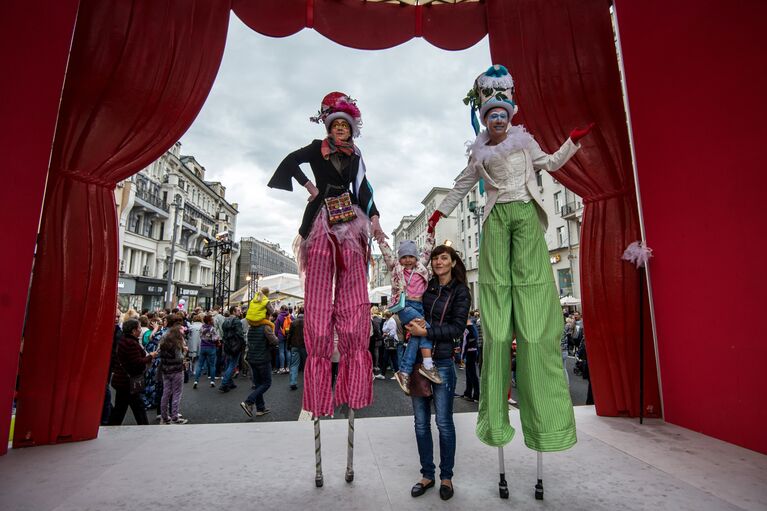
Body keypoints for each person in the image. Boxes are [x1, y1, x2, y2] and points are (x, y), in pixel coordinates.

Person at [429, 64, 591, 451]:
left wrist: (572, 142)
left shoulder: (525, 143)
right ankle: (496, 417)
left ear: (510, 116)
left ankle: (547, 420)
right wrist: (440, 212)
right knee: (498, 308)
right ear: (485, 120)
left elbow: (550, 163)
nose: (498, 120)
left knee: (534, 296)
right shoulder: (480, 153)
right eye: (491, 116)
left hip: (525, 215)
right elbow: (462, 185)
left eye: (503, 114)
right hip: (497, 218)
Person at [267, 91, 385, 417]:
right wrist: (309, 186)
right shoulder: (316, 148)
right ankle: (319, 389)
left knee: (351, 294)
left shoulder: (356, 154)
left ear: (351, 128)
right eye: (336, 125)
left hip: (348, 217)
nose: (341, 130)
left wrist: (374, 219)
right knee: (318, 300)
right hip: (321, 219)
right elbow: (290, 161)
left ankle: (352, 385)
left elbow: (364, 187)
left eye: (346, 126)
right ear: (329, 126)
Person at [405, 244, 471, 501]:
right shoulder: (427, 287)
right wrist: (411, 325)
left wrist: (426, 332)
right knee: (420, 423)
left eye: (444, 258)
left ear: (453, 262)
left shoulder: (461, 291)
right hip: (419, 364)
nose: (438, 262)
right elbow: (414, 311)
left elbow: (456, 329)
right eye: (435, 258)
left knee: (443, 423)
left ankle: (446, 477)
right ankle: (427, 474)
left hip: (442, 361)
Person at [375, 234, 441, 393]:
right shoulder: (396, 267)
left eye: (411, 256)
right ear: (400, 258)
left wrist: (431, 232)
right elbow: (387, 253)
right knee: (427, 329)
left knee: (418, 336)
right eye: (404, 257)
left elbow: (427, 250)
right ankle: (427, 365)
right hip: (403, 305)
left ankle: (404, 372)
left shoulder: (421, 266)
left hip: (419, 305)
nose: (408, 260)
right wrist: (380, 239)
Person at [108, 319, 158, 425]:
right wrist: (150, 356)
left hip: (122, 380)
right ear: (133, 330)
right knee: (136, 406)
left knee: (121, 408)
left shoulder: (124, 340)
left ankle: (113, 426)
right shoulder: (131, 343)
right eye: (139, 328)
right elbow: (137, 362)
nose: (140, 330)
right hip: (129, 381)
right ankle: (144, 427)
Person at [240, 314, 279, 418]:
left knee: (258, 384)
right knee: (266, 383)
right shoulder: (266, 327)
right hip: (263, 359)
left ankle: (260, 408)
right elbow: (275, 341)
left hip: (252, 358)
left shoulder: (251, 327)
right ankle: (249, 401)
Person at [158, 327, 188, 424]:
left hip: (165, 371)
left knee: (166, 393)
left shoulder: (163, 343)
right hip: (176, 371)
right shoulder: (176, 345)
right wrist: (185, 351)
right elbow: (179, 358)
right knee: (176, 393)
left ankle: (164, 416)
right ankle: (174, 416)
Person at [220, 305, 245, 393]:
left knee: (229, 363)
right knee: (232, 364)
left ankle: (230, 382)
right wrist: (242, 343)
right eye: (238, 310)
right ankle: (224, 383)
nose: (240, 312)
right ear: (233, 312)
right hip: (235, 345)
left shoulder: (225, 320)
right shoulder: (237, 321)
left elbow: (223, 332)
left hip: (227, 345)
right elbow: (240, 334)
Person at [194, 314, 219, 388]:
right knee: (212, 365)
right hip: (211, 347)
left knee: (200, 365)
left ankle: (196, 381)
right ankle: (212, 381)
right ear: (209, 321)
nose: (213, 320)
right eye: (211, 320)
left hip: (203, 347)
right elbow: (215, 338)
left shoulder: (201, 327)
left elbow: (200, 336)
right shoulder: (212, 328)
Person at [287, 306, 306, 391]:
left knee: (294, 365)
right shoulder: (308, 323)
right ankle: (308, 383)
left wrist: (288, 345)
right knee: (307, 365)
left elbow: (289, 335)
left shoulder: (293, 323)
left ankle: (293, 382)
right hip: (305, 346)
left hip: (294, 346)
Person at [461, 317, 480, 402]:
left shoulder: (467, 329)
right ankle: (468, 392)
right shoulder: (474, 327)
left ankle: (476, 395)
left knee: (471, 374)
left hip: (469, 353)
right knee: (469, 374)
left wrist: (462, 356)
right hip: (474, 351)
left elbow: (465, 343)